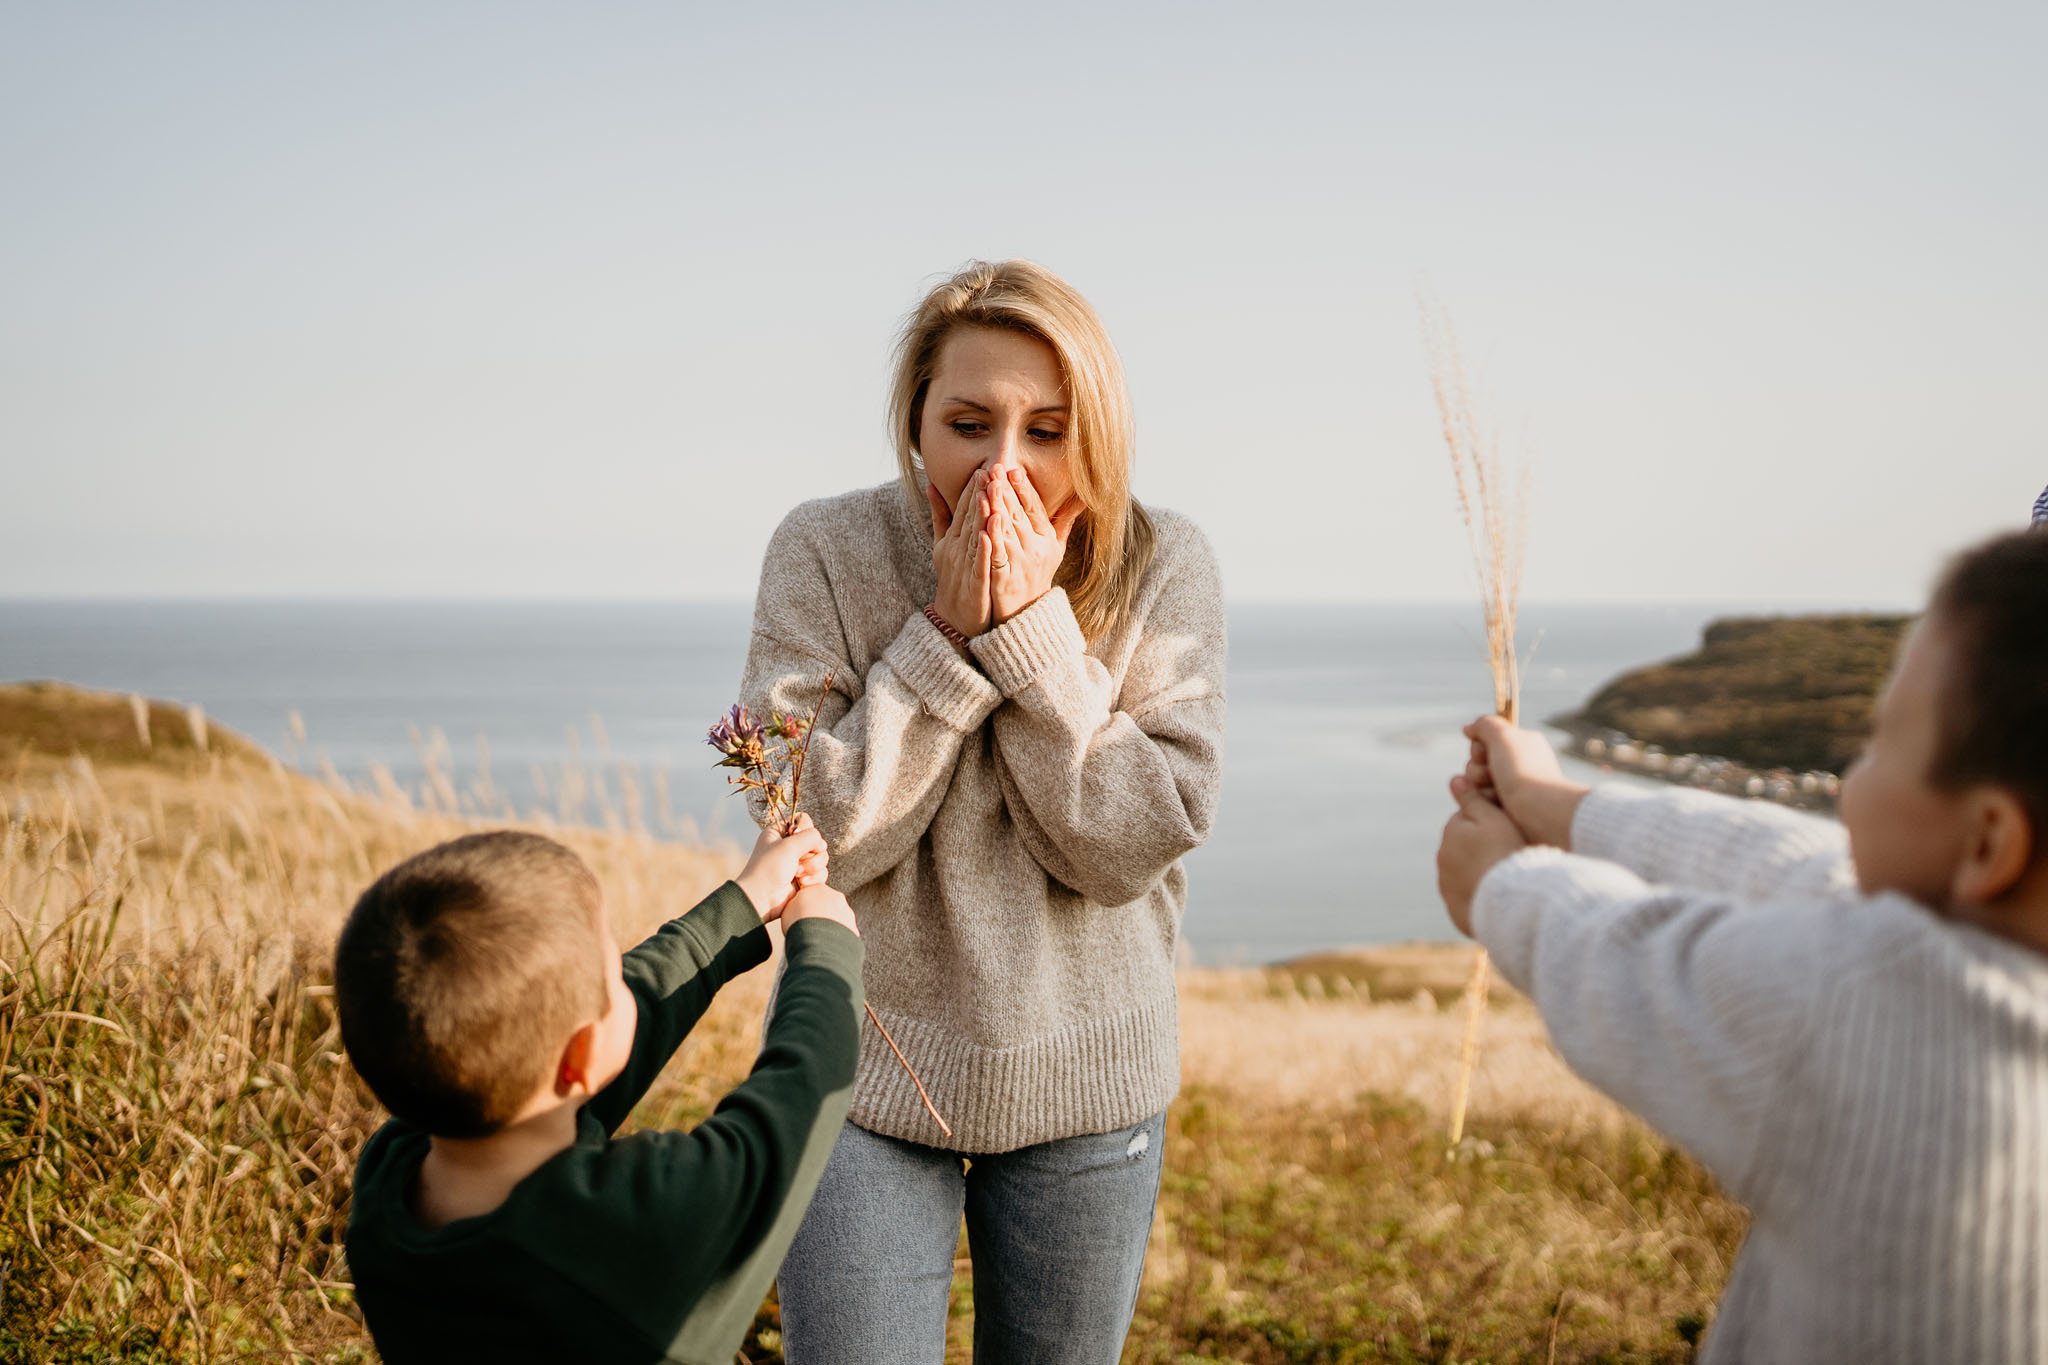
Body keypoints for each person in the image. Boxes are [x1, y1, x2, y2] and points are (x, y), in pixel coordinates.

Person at [740, 259, 1227, 1363]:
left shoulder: (1163, 565)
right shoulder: (823, 550)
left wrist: (1030, 636)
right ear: (915, 425)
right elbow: (807, 836)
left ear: (1093, 438)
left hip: (1088, 1081)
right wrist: (942, 645)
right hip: (860, 1074)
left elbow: (1133, 841)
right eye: (968, 423)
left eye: (1047, 431)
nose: (1001, 467)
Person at [1436, 528, 2048, 1364]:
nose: (1848, 780)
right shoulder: (1998, 963)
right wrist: (1560, 804)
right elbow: (1802, 872)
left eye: (1877, 744)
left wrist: (1502, 884)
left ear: (1986, 845)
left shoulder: (1865, 1012)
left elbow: (1626, 961)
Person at [336, 818, 862, 1365]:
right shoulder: (648, 1222)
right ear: (579, 1058)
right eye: (615, 971)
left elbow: (549, 1054)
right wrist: (825, 949)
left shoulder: (387, 1187)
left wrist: (744, 903)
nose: (626, 975)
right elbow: (803, 1092)